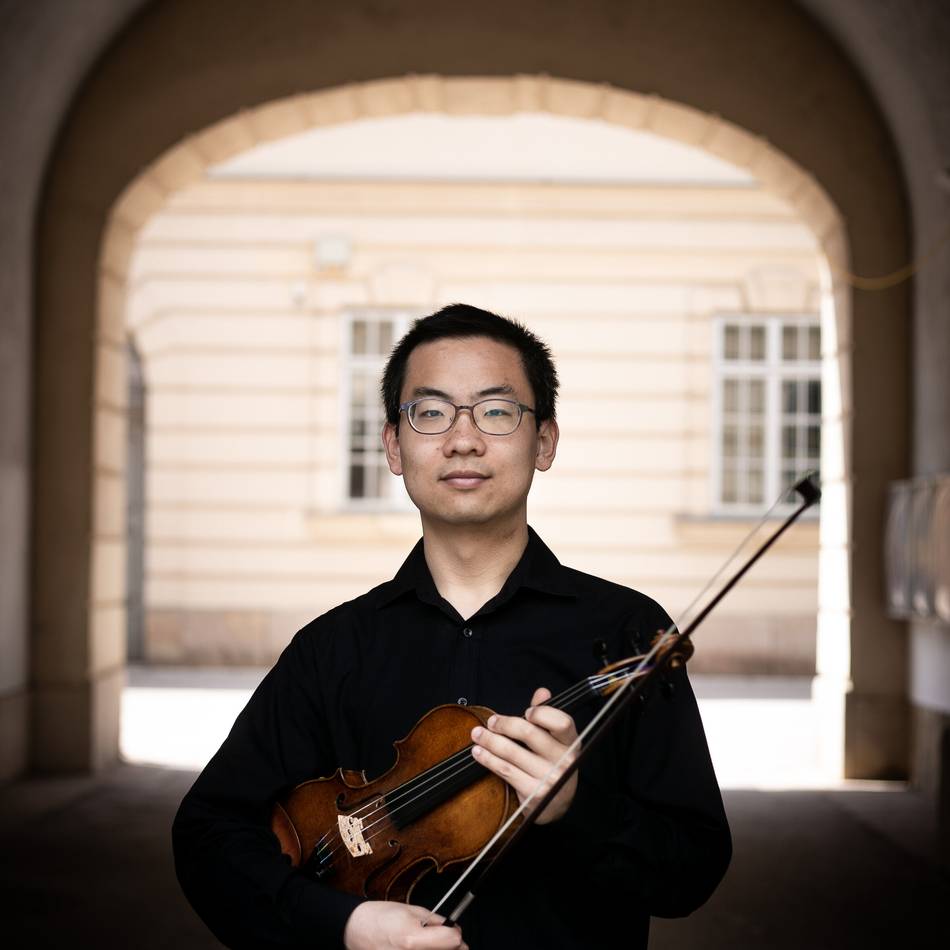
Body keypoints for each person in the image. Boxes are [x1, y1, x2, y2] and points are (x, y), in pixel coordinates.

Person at [173, 304, 731, 949]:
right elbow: (208, 836)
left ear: (544, 442)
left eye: (496, 411)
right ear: (393, 445)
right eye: (431, 412)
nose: (463, 440)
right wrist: (344, 924)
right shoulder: (333, 649)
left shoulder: (629, 631)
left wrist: (574, 809)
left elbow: (692, 871)